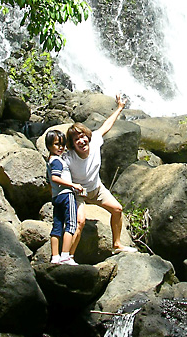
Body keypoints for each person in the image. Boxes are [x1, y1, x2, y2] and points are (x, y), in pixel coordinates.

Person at [64, 93, 137, 255]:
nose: (81, 140)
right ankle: (68, 256)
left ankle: (117, 244)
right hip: (78, 194)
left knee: (117, 210)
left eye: (82, 136)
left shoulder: (95, 140)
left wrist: (119, 108)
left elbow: (107, 125)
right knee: (80, 222)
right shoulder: (68, 158)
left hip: (97, 189)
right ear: (73, 145)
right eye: (76, 139)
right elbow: (56, 172)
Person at [46, 128, 84, 265]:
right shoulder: (57, 161)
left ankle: (55, 257)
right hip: (67, 195)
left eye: (62, 144)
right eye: (57, 144)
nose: (61, 147)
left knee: (56, 226)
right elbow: (55, 178)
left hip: (56, 197)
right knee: (71, 225)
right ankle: (65, 256)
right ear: (49, 146)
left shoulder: (49, 161)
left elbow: (49, 181)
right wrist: (73, 185)